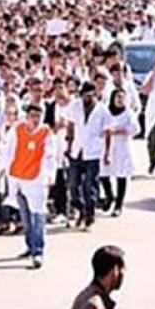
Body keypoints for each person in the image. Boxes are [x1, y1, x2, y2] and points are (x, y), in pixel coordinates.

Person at [2, 104, 56, 269]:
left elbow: (50, 155)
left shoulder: (46, 132)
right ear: (27, 116)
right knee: (25, 217)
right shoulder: (17, 130)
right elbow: (8, 151)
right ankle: (29, 245)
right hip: (18, 178)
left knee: (38, 216)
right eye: (32, 115)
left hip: (36, 180)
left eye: (38, 116)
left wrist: (50, 175)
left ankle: (38, 251)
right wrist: (1, 170)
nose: (35, 119)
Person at [65, 83, 109, 231]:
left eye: (91, 95)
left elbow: (107, 132)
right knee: (72, 184)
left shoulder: (102, 110)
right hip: (76, 150)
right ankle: (81, 209)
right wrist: (69, 145)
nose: (88, 98)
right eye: (85, 95)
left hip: (93, 152)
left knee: (90, 186)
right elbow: (70, 125)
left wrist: (107, 153)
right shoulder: (74, 106)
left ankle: (89, 216)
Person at [101, 90, 137, 218]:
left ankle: (119, 205)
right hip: (106, 146)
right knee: (103, 174)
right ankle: (109, 195)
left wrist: (117, 131)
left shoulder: (128, 113)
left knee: (121, 175)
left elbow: (135, 129)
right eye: (118, 97)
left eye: (122, 97)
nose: (120, 100)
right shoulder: (106, 112)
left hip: (122, 147)